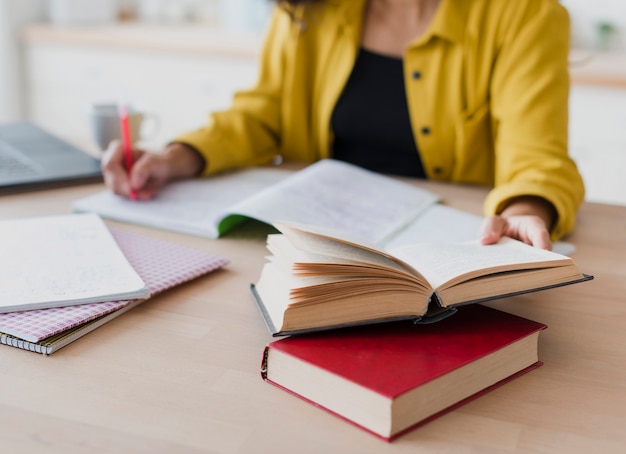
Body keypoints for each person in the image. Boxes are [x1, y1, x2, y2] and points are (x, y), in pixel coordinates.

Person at [102, 0, 584, 250]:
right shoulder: (309, 7)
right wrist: (174, 158)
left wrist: (525, 210)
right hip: (316, 241)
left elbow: (535, 153)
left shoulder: (526, 14)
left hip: (443, 246)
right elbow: (262, 113)